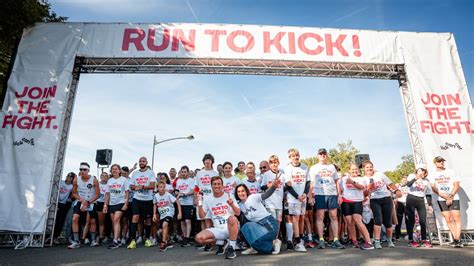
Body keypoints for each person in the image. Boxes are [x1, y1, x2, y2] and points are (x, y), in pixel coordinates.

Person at [195, 176, 241, 259]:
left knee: (232, 218)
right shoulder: (207, 198)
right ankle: (220, 242)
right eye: (214, 184)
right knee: (199, 238)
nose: (217, 186)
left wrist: (231, 204)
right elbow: (202, 216)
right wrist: (200, 204)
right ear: (211, 186)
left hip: (231, 227)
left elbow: (238, 213)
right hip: (218, 230)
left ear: (222, 185)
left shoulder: (229, 195)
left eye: (219, 184)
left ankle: (232, 249)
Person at [235, 177, 282, 255]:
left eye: (242, 191)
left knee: (261, 245)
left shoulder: (253, 197)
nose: (241, 193)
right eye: (238, 192)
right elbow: (236, 213)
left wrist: (273, 186)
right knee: (246, 227)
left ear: (246, 191)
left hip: (269, 224)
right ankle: (256, 247)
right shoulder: (240, 205)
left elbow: (266, 195)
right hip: (258, 226)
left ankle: (275, 242)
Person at [309, 148, 344, 249]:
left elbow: (337, 181)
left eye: (324, 154)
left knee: (334, 216)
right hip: (320, 194)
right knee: (320, 217)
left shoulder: (332, 167)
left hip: (332, 194)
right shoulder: (314, 168)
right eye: (321, 154)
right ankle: (321, 240)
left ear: (327, 155)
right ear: (317, 156)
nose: (323, 155)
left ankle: (336, 240)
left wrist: (339, 195)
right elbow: (311, 183)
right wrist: (310, 196)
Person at [364, 160, 401, 249]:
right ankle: (377, 241)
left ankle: (389, 240)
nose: (369, 168)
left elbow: (390, 184)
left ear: (373, 167)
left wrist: (397, 190)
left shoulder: (380, 175)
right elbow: (364, 194)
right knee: (378, 220)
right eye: (367, 167)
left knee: (388, 222)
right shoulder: (364, 179)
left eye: (370, 166)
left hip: (386, 199)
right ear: (364, 169)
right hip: (374, 200)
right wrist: (368, 188)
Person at [429, 156, 463, 248]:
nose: (442, 163)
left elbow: (456, 185)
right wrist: (442, 195)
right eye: (439, 161)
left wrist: (450, 196)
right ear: (435, 163)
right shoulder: (432, 174)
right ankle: (455, 239)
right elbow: (433, 187)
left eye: (443, 161)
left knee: (456, 218)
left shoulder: (451, 171)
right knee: (448, 219)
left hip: (453, 197)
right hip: (441, 198)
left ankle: (458, 239)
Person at [340, 163, 374, 250]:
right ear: (349, 170)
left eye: (356, 169)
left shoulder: (360, 179)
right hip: (346, 201)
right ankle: (354, 241)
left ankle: (369, 242)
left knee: (358, 220)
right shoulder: (344, 179)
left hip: (357, 202)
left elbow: (361, 187)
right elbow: (340, 188)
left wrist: (352, 181)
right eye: (352, 169)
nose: (354, 171)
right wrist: (339, 195)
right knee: (349, 223)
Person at [284, 148, 311, 252]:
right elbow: (288, 185)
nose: (295, 157)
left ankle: (299, 238)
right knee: (295, 219)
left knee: (301, 219)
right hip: (293, 198)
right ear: (290, 157)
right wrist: (297, 196)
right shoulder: (288, 168)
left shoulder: (305, 167)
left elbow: (308, 182)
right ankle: (298, 242)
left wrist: (304, 193)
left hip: (303, 197)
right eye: (293, 156)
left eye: (297, 155)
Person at [68, 162, 100, 249]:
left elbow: (97, 194)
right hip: (81, 200)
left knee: (92, 221)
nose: (82, 171)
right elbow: (74, 193)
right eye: (81, 169)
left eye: (84, 169)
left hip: (91, 201)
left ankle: (93, 240)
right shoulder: (76, 179)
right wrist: (82, 200)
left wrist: (88, 202)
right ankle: (76, 241)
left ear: (88, 170)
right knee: (75, 218)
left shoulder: (94, 180)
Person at [127, 157, 156, 249]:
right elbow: (131, 186)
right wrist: (135, 187)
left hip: (148, 199)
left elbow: (152, 186)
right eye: (140, 161)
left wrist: (142, 186)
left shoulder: (151, 172)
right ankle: (132, 240)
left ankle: (147, 239)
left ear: (146, 162)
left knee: (148, 220)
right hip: (137, 199)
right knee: (135, 217)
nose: (141, 162)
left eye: (143, 161)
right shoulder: (135, 173)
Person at [260, 155, 284, 254]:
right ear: (269, 164)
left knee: (278, 223)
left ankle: (276, 241)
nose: (274, 164)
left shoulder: (282, 174)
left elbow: (285, 188)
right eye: (272, 163)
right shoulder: (266, 174)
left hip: (279, 203)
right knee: (272, 223)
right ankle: (271, 242)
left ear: (278, 163)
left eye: (276, 162)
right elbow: (261, 187)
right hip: (270, 203)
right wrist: (268, 185)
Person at [405, 164, 433, 248]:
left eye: (423, 171)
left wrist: (430, 205)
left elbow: (428, 194)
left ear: (425, 172)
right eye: (419, 170)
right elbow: (408, 184)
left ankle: (424, 239)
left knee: (423, 221)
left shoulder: (426, 181)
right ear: (416, 171)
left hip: (421, 200)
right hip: (411, 199)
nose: (421, 172)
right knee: (411, 220)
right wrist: (416, 178)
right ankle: (411, 240)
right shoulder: (411, 176)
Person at [104, 164, 130, 249]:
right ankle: (118, 239)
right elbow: (107, 194)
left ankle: (115, 240)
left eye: (116, 169)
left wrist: (126, 203)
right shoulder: (110, 180)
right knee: (115, 222)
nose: (114, 170)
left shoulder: (124, 180)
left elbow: (127, 192)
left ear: (119, 171)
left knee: (116, 220)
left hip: (121, 202)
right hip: (112, 203)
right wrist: (105, 205)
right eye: (112, 169)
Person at [194, 154, 219, 239]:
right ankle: (203, 239)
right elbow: (196, 187)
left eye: (209, 160)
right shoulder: (199, 173)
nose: (207, 161)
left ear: (212, 162)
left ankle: (209, 240)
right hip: (201, 199)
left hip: (211, 199)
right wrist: (196, 198)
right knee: (202, 220)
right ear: (204, 161)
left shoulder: (215, 173)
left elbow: (218, 187)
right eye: (206, 160)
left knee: (208, 220)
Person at [153, 181, 182, 251]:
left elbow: (177, 202)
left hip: (169, 213)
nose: (162, 189)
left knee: (165, 225)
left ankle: (163, 243)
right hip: (162, 215)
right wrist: (154, 214)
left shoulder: (168, 195)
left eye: (163, 187)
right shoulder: (156, 196)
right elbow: (155, 204)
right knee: (160, 231)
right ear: (157, 188)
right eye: (160, 187)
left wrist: (179, 213)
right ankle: (168, 241)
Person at [176, 165, 195, 247]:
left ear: (188, 172)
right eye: (182, 172)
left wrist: (184, 194)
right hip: (180, 203)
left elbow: (193, 191)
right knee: (182, 221)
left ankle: (188, 237)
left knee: (188, 221)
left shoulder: (191, 180)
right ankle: (184, 237)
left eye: (185, 172)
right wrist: (178, 194)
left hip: (189, 203)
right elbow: (176, 191)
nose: (183, 173)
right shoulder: (178, 181)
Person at [53, 172, 75, 243]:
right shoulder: (61, 183)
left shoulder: (71, 186)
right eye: (68, 176)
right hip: (55, 202)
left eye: (71, 177)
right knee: (52, 220)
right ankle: (49, 236)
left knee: (60, 221)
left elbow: (72, 197)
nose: (68, 177)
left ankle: (55, 237)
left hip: (64, 204)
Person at [394, 176, 408, 240]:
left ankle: (409, 234)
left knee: (408, 219)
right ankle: (397, 235)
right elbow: (393, 193)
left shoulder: (409, 185)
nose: (404, 181)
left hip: (408, 203)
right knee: (399, 219)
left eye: (405, 180)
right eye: (403, 180)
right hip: (400, 202)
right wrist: (395, 199)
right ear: (401, 180)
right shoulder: (397, 185)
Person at [96, 172, 109, 244]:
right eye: (102, 176)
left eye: (105, 176)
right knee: (92, 221)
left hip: (104, 203)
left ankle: (101, 237)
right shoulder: (97, 184)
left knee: (102, 221)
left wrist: (105, 204)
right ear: (100, 177)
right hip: (95, 203)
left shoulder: (109, 185)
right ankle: (92, 236)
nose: (104, 177)